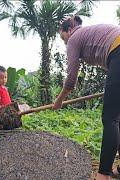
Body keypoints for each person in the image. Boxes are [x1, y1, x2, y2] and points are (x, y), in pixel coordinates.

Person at [53, 15, 120, 180]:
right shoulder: (90, 35)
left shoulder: (74, 38)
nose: (65, 43)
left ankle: (103, 174)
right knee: (118, 118)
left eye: (63, 38)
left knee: (110, 119)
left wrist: (59, 99)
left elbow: (70, 79)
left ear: (69, 30)